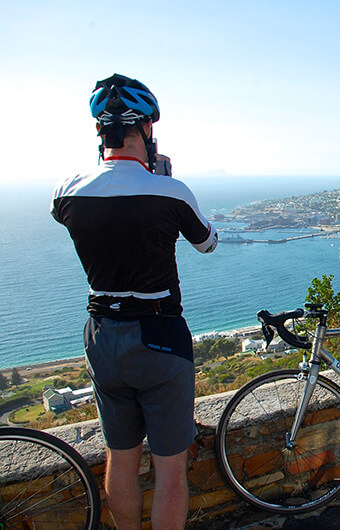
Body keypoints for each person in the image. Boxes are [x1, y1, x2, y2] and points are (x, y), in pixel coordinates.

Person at [52, 74, 218, 529]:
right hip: (160, 332)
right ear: (146, 130)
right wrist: (159, 177)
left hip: (102, 335)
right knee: (169, 468)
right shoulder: (171, 190)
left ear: (99, 131)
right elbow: (209, 243)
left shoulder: (68, 190)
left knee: (120, 459)